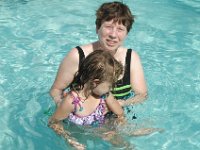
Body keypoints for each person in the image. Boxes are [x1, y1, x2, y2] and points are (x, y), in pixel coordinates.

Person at [50, 1, 147, 107]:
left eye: (120, 29)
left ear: (126, 33)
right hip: (82, 116)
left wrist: (121, 104)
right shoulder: (78, 56)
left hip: (118, 116)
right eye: (108, 27)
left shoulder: (131, 57)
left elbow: (142, 95)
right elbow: (56, 90)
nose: (113, 35)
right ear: (97, 28)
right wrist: (62, 105)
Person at [48, 50, 125, 150]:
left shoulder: (105, 95)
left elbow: (120, 114)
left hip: (102, 131)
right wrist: (69, 139)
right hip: (76, 134)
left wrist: (117, 129)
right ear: (95, 82)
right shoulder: (71, 101)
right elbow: (53, 122)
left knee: (122, 144)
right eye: (110, 85)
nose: (111, 89)